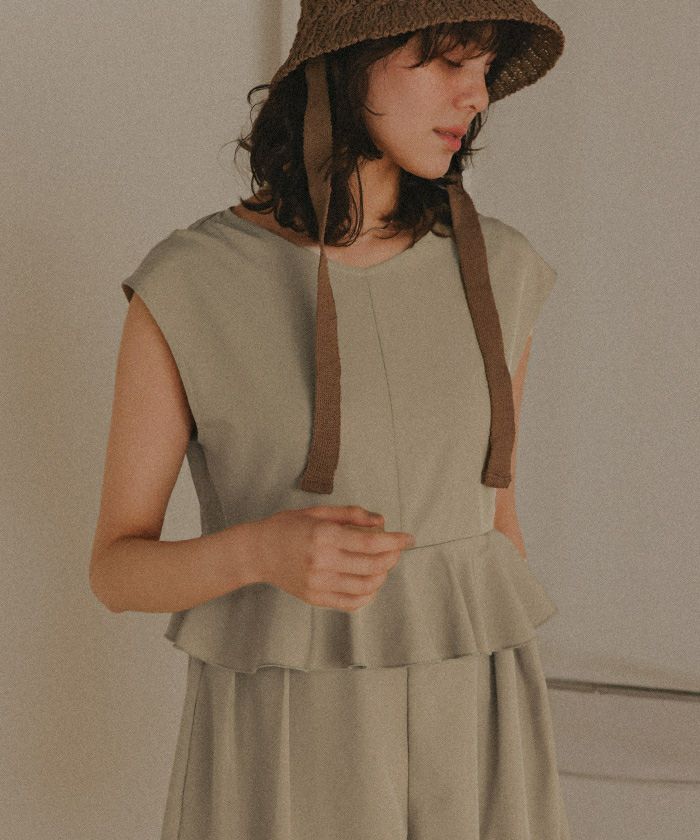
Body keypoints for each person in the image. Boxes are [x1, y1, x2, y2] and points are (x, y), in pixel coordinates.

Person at [91, 2, 570, 838]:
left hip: (475, 736)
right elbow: (115, 570)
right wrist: (259, 552)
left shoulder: (503, 270)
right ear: (353, 58)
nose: (476, 96)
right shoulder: (191, 285)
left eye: (485, 69)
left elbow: (498, 527)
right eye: (449, 60)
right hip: (288, 743)